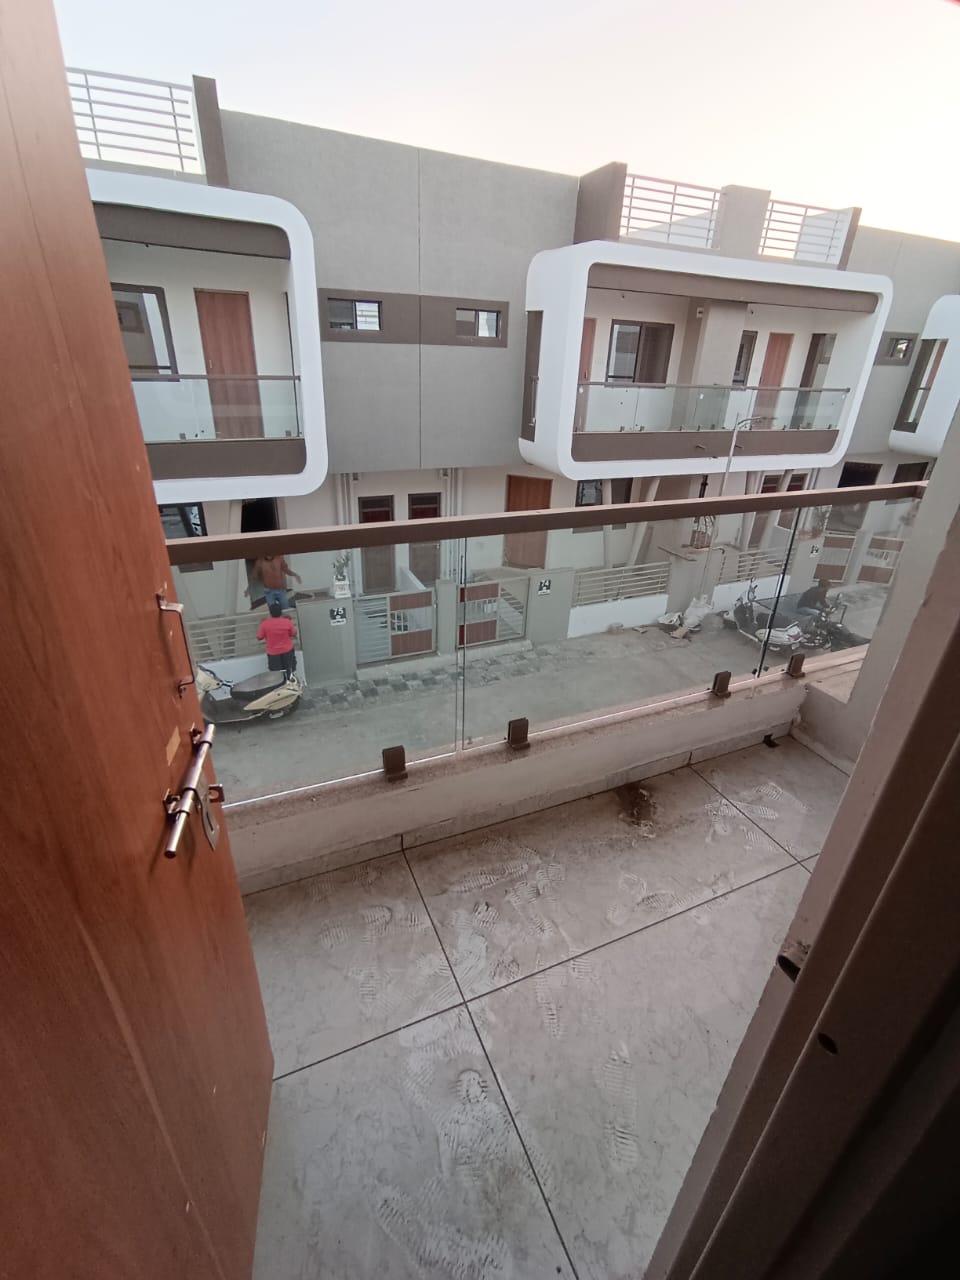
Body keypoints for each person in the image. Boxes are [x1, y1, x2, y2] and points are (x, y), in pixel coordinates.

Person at [256, 600, 298, 679]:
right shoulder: (287, 622)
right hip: (287, 651)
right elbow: (294, 633)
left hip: (273, 653)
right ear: (281, 612)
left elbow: (259, 637)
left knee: (276, 676)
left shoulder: (265, 624)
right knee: (290, 672)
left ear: (270, 613)